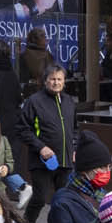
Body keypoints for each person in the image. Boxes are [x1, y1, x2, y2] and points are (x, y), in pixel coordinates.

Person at [18, 65, 79, 207]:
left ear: (64, 81)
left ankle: (59, 222)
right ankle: (27, 221)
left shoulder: (69, 101)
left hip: (66, 161)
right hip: (42, 161)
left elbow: (75, 128)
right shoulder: (34, 101)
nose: (56, 83)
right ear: (45, 81)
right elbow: (22, 129)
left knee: (64, 200)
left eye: (59, 79)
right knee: (40, 199)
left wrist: (75, 148)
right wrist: (41, 147)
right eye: (52, 79)